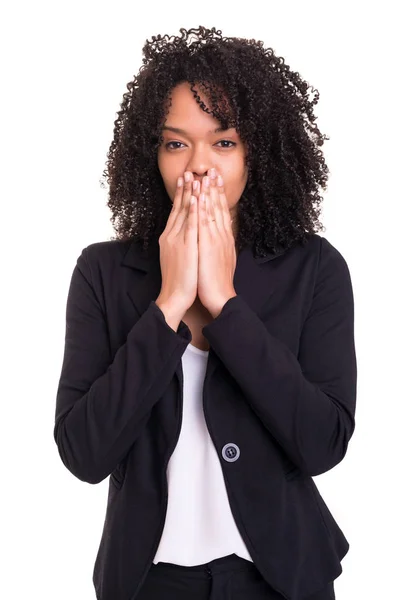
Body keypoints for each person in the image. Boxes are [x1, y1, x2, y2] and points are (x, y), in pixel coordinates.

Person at [53, 25, 357, 600]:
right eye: (175, 143)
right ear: (153, 154)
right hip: (148, 583)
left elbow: (323, 444)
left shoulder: (314, 268)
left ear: (257, 151)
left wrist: (224, 304)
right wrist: (168, 304)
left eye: (223, 142)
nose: (198, 167)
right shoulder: (102, 272)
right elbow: (84, 454)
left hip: (281, 579)